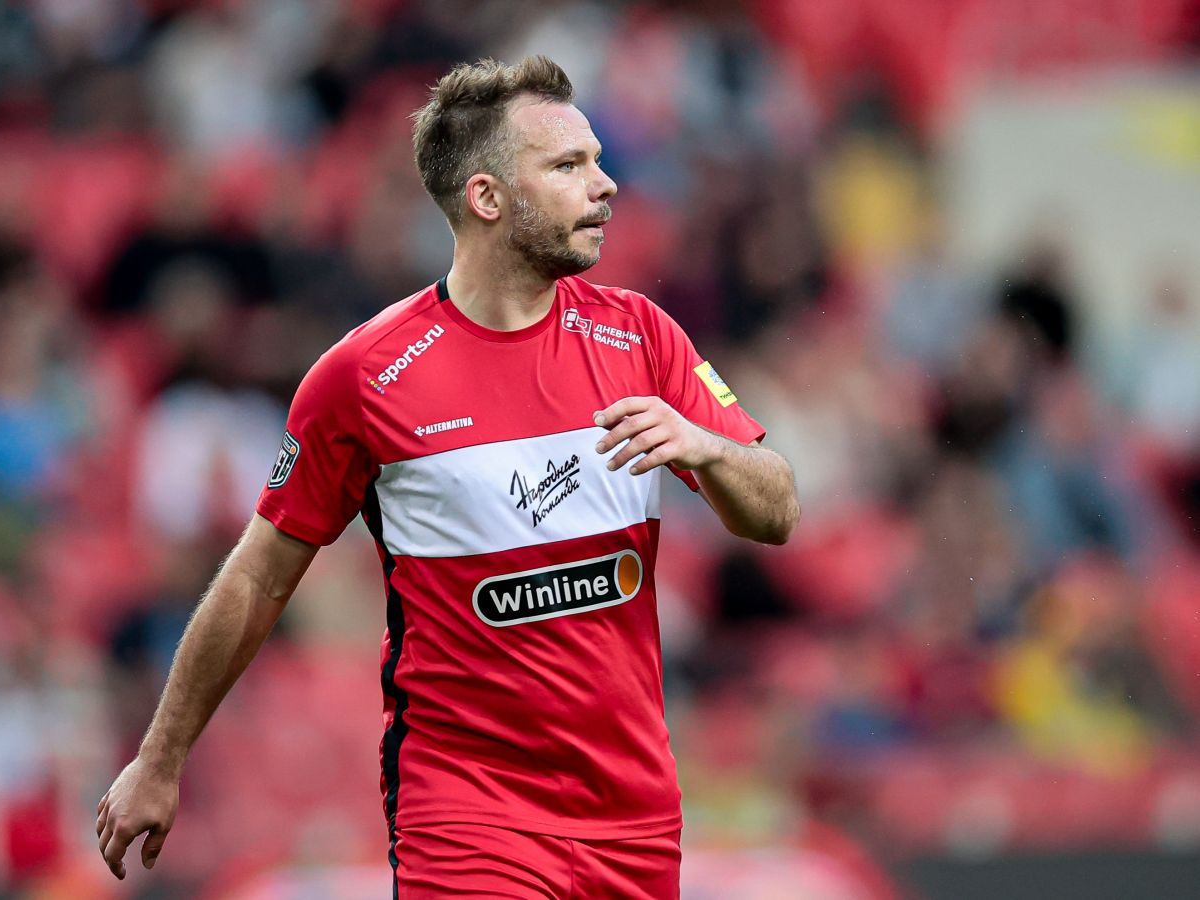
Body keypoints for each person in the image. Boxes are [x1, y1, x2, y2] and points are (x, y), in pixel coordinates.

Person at [96, 55, 800, 897]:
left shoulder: (642, 336)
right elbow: (257, 578)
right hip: (467, 815)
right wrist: (159, 759)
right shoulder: (366, 376)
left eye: (597, 160)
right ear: (487, 198)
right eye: (568, 165)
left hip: (633, 818)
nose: (605, 184)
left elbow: (776, 512)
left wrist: (709, 448)